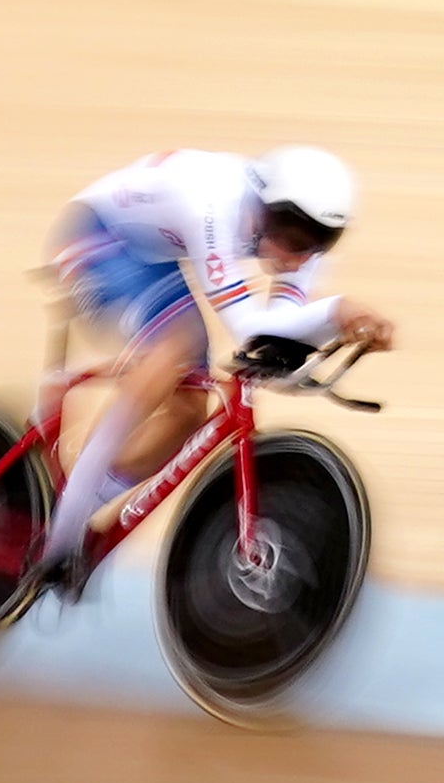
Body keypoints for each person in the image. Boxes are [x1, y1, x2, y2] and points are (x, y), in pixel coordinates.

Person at [32, 142, 396, 599]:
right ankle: (67, 518)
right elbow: (249, 327)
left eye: (316, 242)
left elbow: (280, 326)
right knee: (171, 351)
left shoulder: (300, 239)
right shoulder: (214, 205)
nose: (299, 256)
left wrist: (328, 333)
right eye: (293, 236)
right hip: (99, 240)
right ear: (264, 206)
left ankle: (81, 508)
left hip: (153, 259)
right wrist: (337, 312)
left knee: (190, 410)